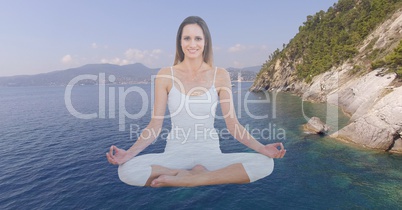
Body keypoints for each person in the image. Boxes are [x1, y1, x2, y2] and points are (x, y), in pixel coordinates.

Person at [106, 16, 286, 187]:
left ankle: (188, 179)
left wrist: (263, 149)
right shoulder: (165, 74)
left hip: (210, 154)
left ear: (205, 42)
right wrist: (128, 154)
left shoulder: (220, 75)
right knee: (126, 170)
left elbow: (233, 126)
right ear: (180, 42)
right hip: (174, 155)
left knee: (265, 164)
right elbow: (155, 126)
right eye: (187, 38)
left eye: (198, 38)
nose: (192, 44)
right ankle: (195, 176)